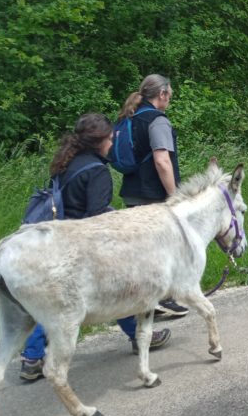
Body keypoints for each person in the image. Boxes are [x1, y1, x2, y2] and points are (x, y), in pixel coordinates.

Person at [19, 114, 170, 381]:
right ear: (98, 141)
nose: (112, 143)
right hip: (80, 248)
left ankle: (32, 358)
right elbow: (97, 219)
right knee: (112, 290)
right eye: (110, 139)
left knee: (64, 301)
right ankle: (33, 356)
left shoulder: (66, 162)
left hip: (58, 235)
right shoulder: (97, 171)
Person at [116, 73, 187, 319]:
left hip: (132, 194)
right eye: (170, 95)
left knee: (141, 251)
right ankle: (162, 299)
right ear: (162, 94)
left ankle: (143, 302)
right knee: (162, 250)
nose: (170, 100)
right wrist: (174, 196)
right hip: (153, 197)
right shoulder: (157, 121)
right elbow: (162, 161)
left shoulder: (131, 117)